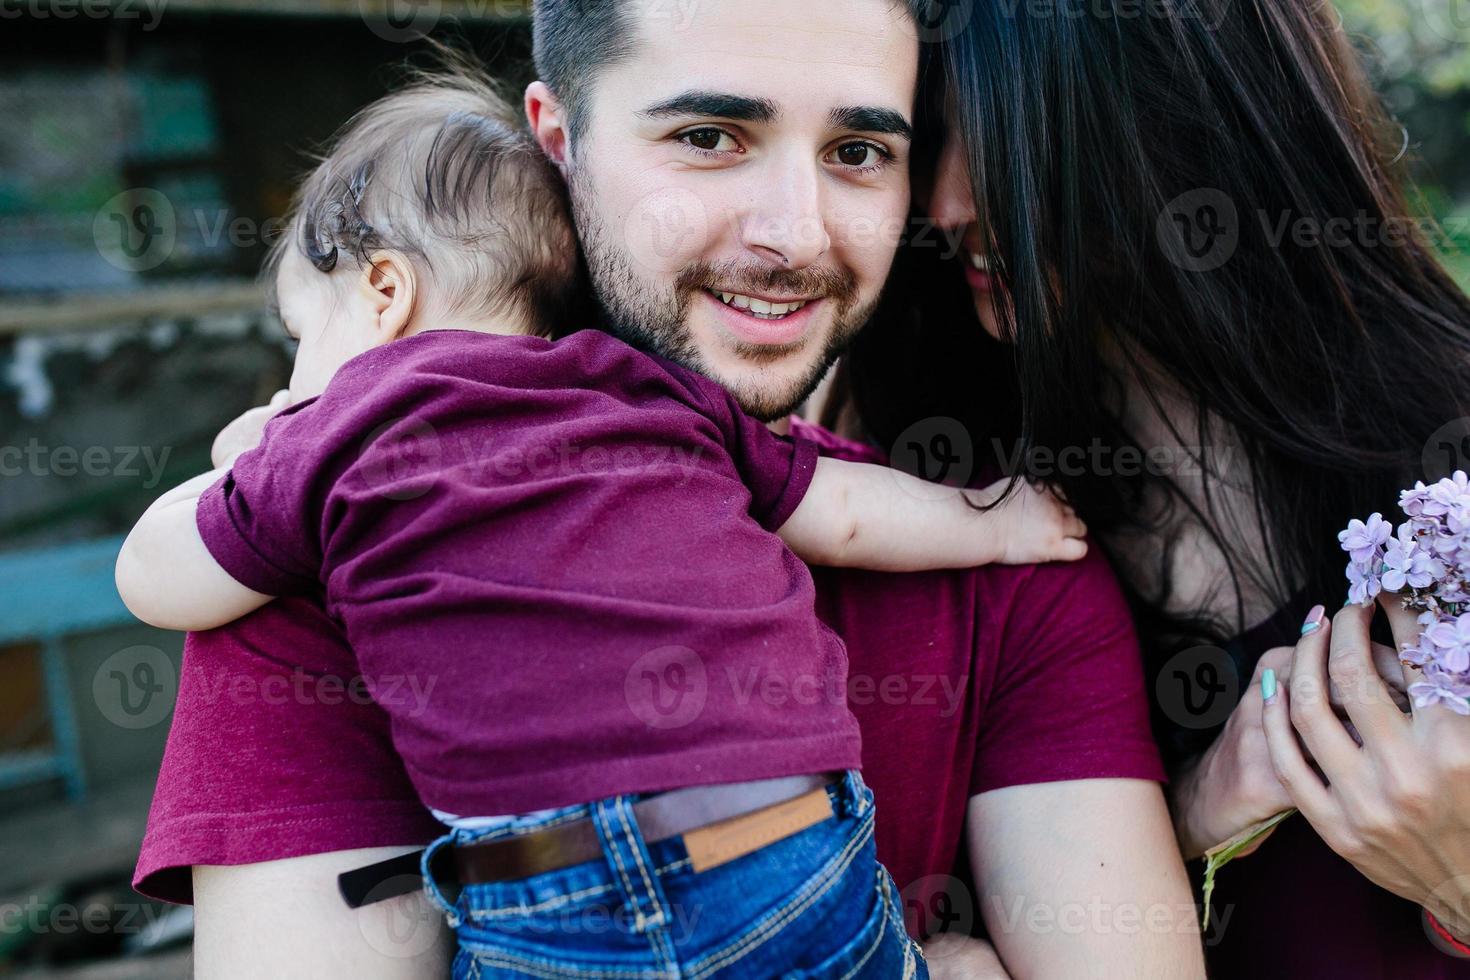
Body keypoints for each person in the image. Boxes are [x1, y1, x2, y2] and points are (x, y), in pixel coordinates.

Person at [131, 2, 1204, 977]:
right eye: (708, 137)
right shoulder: (312, 594)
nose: (793, 232)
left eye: (859, 150)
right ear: (561, 142)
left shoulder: (1022, 595)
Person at [833, 0, 1470, 973]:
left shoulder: (1446, 462)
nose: (947, 203)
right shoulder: (956, 509)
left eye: (999, 131)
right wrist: (1177, 818)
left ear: (1163, 119)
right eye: (927, 136)